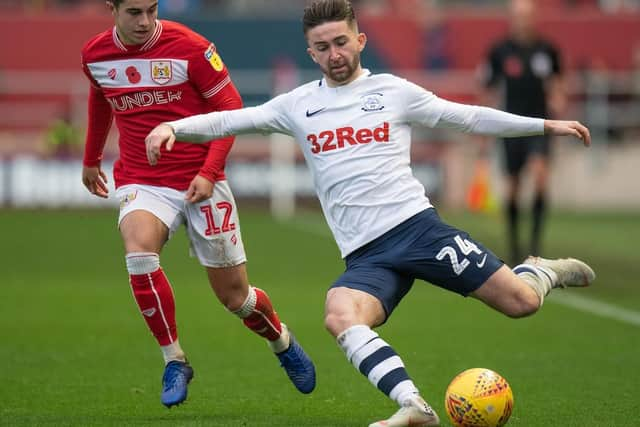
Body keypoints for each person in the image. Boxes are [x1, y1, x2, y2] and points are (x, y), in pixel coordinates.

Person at [145, 1, 595, 425]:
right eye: (322, 47)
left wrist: (544, 125)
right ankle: (413, 405)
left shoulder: (393, 92)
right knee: (339, 313)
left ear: (359, 40)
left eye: (341, 42)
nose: (334, 54)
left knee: (522, 303)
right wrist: (172, 127)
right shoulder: (298, 105)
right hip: (367, 257)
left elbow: (467, 117)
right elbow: (229, 120)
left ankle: (540, 271)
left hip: (420, 231)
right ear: (311, 52)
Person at [80, 0, 315, 408]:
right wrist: (90, 158)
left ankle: (281, 341)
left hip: (200, 178)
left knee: (236, 298)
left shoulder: (191, 47)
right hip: (143, 178)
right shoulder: (95, 55)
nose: (145, 21)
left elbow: (230, 110)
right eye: (134, 12)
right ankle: (174, 359)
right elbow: (101, 97)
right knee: (139, 252)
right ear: (112, 8)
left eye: (152, 9)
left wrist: (208, 171)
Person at [480, 0, 567, 265]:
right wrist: (484, 123)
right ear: (512, 18)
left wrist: (558, 98)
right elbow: (488, 85)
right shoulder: (500, 51)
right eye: (518, 15)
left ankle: (535, 245)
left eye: (527, 15)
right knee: (513, 188)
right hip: (511, 127)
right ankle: (515, 245)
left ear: (534, 17)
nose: (523, 20)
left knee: (540, 176)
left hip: (540, 126)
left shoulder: (547, 50)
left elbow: (558, 80)